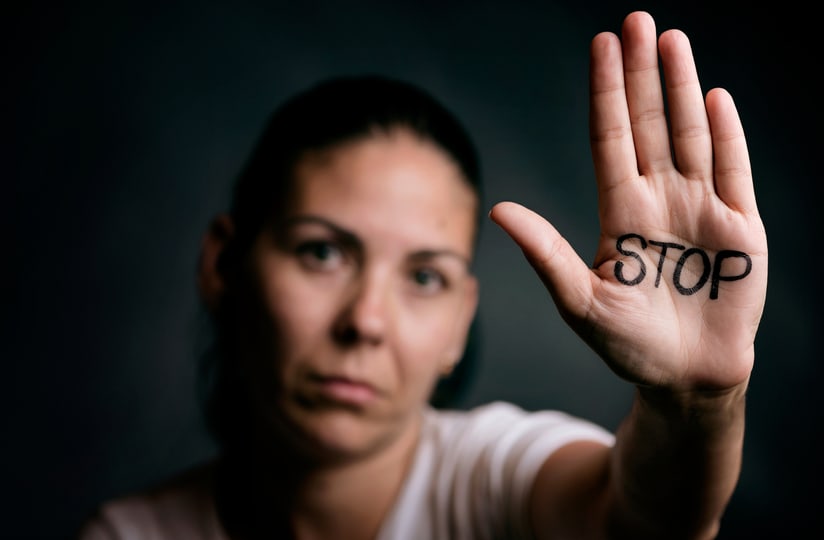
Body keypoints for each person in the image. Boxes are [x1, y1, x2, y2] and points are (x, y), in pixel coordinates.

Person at [77, 10, 767, 540]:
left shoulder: (495, 478)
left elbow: (638, 522)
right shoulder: (129, 533)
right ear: (223, 265)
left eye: (425, 277)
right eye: (322, 253)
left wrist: (696, 403)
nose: (366, 323)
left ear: (460, 323)